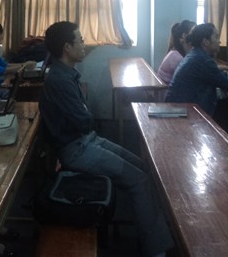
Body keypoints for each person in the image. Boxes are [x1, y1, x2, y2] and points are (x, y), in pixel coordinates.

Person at [39, 21, 174, 257]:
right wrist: (85, 112)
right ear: (67, 47)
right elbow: (84, 120)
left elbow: (84, 117)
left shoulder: (67, 73)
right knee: (140, 181)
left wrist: (85, 112)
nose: (84, 45)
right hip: (77, 150)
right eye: (80, 41)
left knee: (145, 167)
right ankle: (156, 249)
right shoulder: (60, 80)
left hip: (86, 140)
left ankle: (152, 230)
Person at [165, 23, 228, 132]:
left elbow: (216, 76)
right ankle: (215, 137)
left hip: (180, 106)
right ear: (205, 42)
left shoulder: (195, 55)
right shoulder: (203, 60)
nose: (219, 41)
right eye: (216, 37)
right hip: (186, 111)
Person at [157, 19, 195, 84]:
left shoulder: (176, 52)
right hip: (165, 88)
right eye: (193, 34)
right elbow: (188, 79)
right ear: (184, 36)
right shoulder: (177, 57)